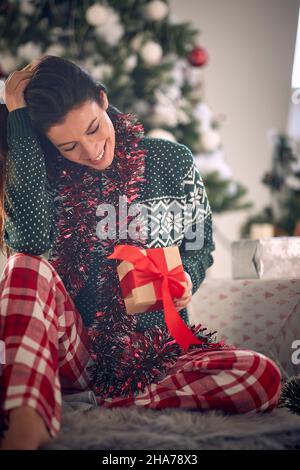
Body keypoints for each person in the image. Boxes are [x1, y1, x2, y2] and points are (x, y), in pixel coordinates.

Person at [0, 55, 282, 450]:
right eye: (69, 145)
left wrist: (187, 278)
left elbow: (200, 244)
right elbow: (28, 244)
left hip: (158, 352)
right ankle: (27, 419)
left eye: (95, 128)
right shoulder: (44, 174)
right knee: (23, 266)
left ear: (103, 99)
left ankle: (97, 404)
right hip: (78, 352)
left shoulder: (172, 161)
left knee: (260, 375)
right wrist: (18, 120)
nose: (93, 150)